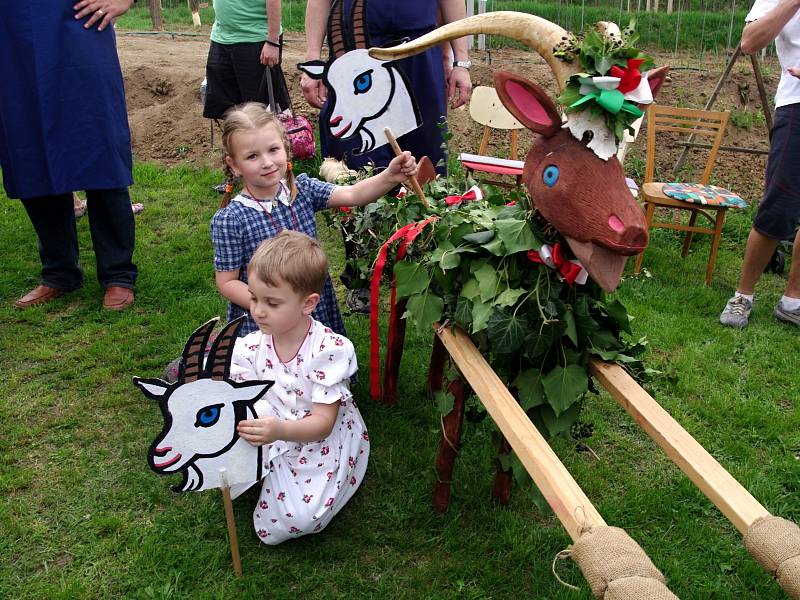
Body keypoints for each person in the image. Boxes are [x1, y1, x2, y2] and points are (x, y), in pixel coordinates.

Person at [300, 0, 472, 312]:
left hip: (421, 51)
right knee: (359, 163)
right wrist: (313, 60)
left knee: (428, 162)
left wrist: (460, 60)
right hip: (357, 46)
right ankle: (363, 275)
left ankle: (428, 267)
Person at [211, 102, 418, 338]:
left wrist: (390, 176)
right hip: (265, 323)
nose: (267, 162)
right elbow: (227, 282)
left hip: (312, 308)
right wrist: (269, 305)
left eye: (273, 150)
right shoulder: (231, 219)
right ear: (234, 165)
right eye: (252, 156)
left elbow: (353, 194)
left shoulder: (302, 190)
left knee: (317, 366)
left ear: (286, 149)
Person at [228, 230, 369, 544]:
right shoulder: (256, 344)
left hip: (317, 438)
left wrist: (278, 431)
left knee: (298, 518)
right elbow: (230, 368)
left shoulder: (328, 352)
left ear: (308, 303)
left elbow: (322, 424)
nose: (258, 311)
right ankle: (269, 471)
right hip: (276, 421)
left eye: (272, 303)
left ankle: (284, 476)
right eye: (253, 297)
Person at [0, 1, 138, 311]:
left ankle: (117, 273)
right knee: (28, 148)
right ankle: (59, 272)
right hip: (11, 38)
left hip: (79, 30)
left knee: (97, 146)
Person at [719, 0, 800, 328]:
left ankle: (793, 300)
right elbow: (750, 41)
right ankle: (742, 295)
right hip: (797, 105)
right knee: (778, 207)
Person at [203, 0, 290, 122]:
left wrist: (272, 40)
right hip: (221, 37)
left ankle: (275, 139)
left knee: (262, 110)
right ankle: (236, 140)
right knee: (227, 110)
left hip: (255, 38)